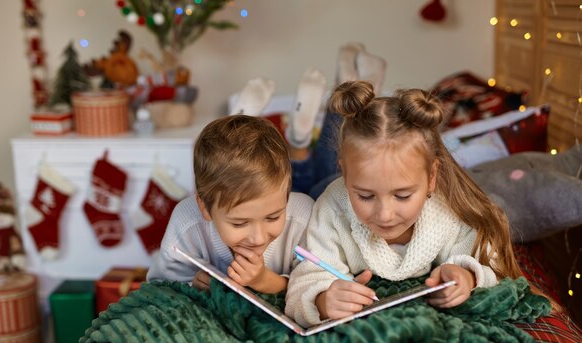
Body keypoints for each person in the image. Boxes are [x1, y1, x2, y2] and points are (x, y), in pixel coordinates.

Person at [285, 81, 523, 327]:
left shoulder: (446, 210)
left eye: (402, 196)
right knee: (307, 183)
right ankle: (301, 143)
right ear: (346, 177)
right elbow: (305, 279)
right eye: (366, 196)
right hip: (326, 186)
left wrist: (467, 276)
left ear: (432, 178)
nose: (385, 215)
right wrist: (323, 300)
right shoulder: (333, 205)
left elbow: (488, 262)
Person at [147, 115, 314, 294]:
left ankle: (300, 140)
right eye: (239, 223)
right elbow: (159, 288)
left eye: (273, 217)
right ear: (205, 208)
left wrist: (264, 281)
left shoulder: (304, 217)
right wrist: (191, 287)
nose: (258, 238)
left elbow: (317, 288)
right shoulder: (187, 223)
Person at [229, 43, 387, 199]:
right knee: (330, 179)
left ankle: (239, 134)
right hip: (317, 189)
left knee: (314, 183)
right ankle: (350, 91)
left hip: (279, 189)